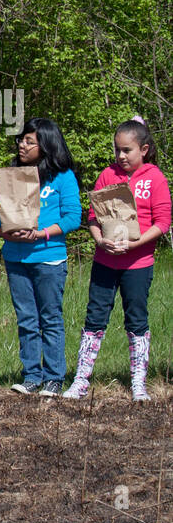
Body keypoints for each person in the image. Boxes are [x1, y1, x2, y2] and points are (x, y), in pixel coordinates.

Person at [64, 117, 169, 401]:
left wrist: (137, 242)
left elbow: (163, 222)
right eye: (117, 150)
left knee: (136, 318)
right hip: (105, 262)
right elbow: (93, 217)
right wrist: (100, 240)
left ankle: (138, 382)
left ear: (144, 149)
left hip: (138, 264)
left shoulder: (155, 178)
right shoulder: (107, 175)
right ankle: (81, 380)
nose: (121, 156)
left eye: (127, 150)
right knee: (94, 317)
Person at [0, 117, 81, 396]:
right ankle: (32, 375)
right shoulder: (12, 176)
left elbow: (73, 217)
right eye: (21, 139)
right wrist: (7, 233)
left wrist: (42, 234)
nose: (22, 145)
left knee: (50, 317)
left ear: (46, 144)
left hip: (49, 257)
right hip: (16, 257)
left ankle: (54, 377)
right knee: (26, 319)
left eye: (30, 141)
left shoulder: (62, 176)